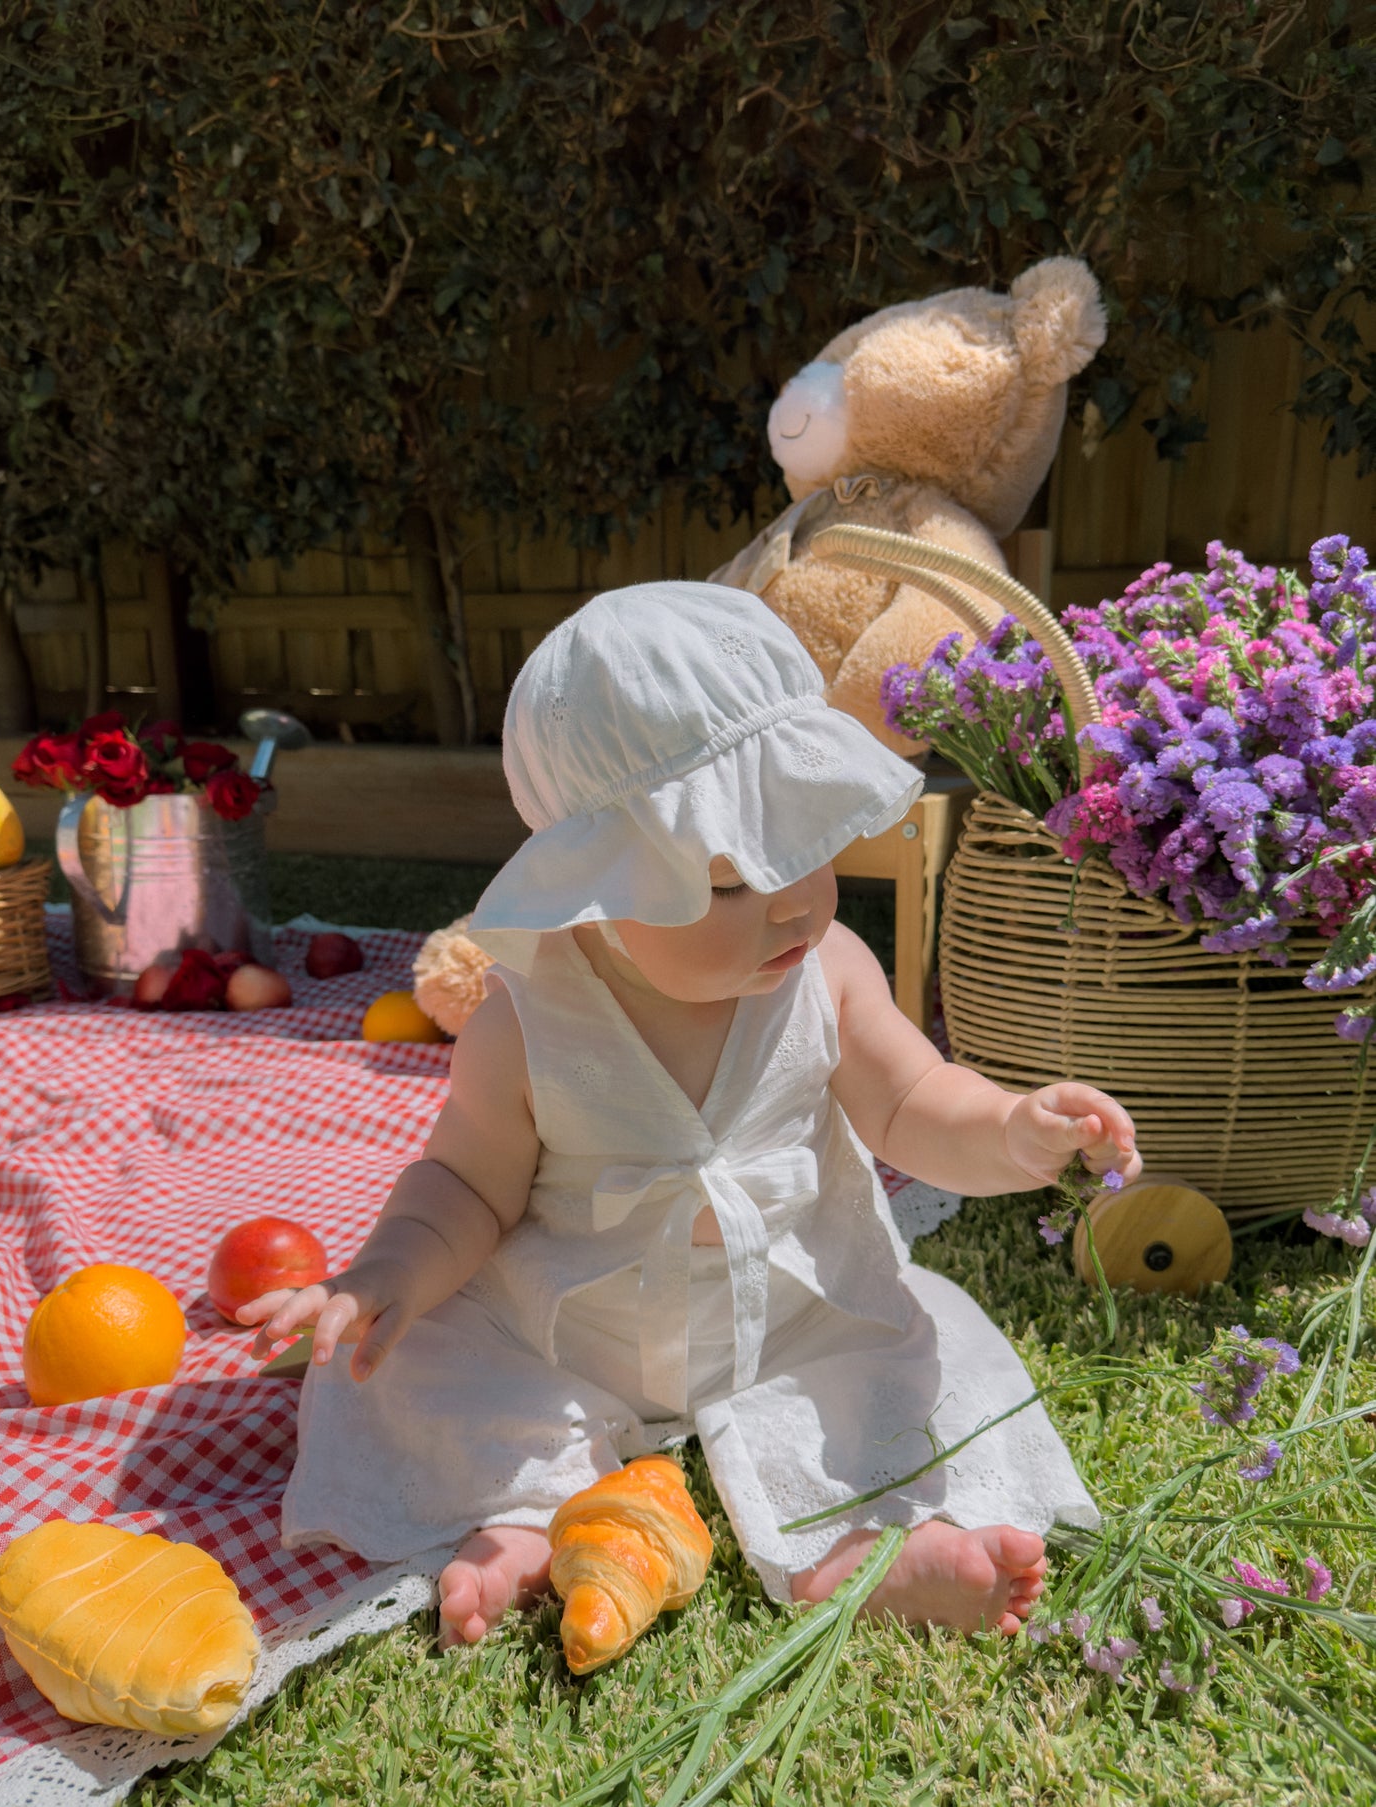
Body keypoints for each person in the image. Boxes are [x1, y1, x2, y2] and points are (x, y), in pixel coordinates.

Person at [245, 581, 1140, 1650]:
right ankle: (526, 1520)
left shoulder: (829, 971)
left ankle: (864, 1547)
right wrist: (386, 1272)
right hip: (567, 1337)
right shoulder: (524, 1016)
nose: (793, 903)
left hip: (789, 1326)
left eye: (804, 849)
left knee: (907, 1360)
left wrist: (1007, 1130)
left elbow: (910, 1101)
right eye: (725, 884)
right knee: (412, 1375)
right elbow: (463, 1183)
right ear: (595, 882)